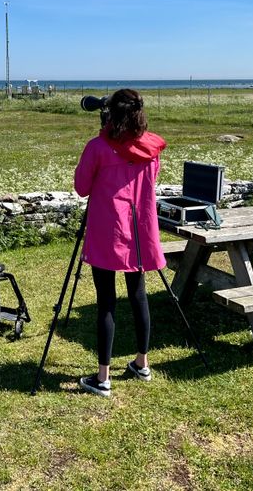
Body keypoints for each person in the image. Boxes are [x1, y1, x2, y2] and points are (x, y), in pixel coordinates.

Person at [73, 88, 167, 397]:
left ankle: (103, 378)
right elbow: (151, 177)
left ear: (111, 114)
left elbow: (81, 187)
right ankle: (142, 362)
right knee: (138, 296)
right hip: (138, 233)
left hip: (107, 232)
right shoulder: (151, 148)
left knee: (107, 302)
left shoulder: (98, 147)